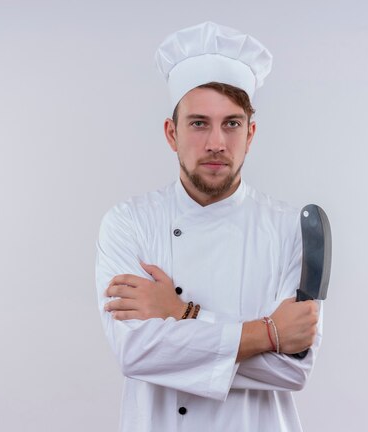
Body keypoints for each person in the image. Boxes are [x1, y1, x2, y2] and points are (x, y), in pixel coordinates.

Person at [96, 22, 323, 432]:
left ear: (251, 133)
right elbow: (135, 353)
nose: (216, 142)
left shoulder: (292, 229)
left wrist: (180, 315)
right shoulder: (128, 223)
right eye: (199, 123)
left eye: (232, 124)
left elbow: (293, 371)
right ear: (172, 133)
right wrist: (270, 334)